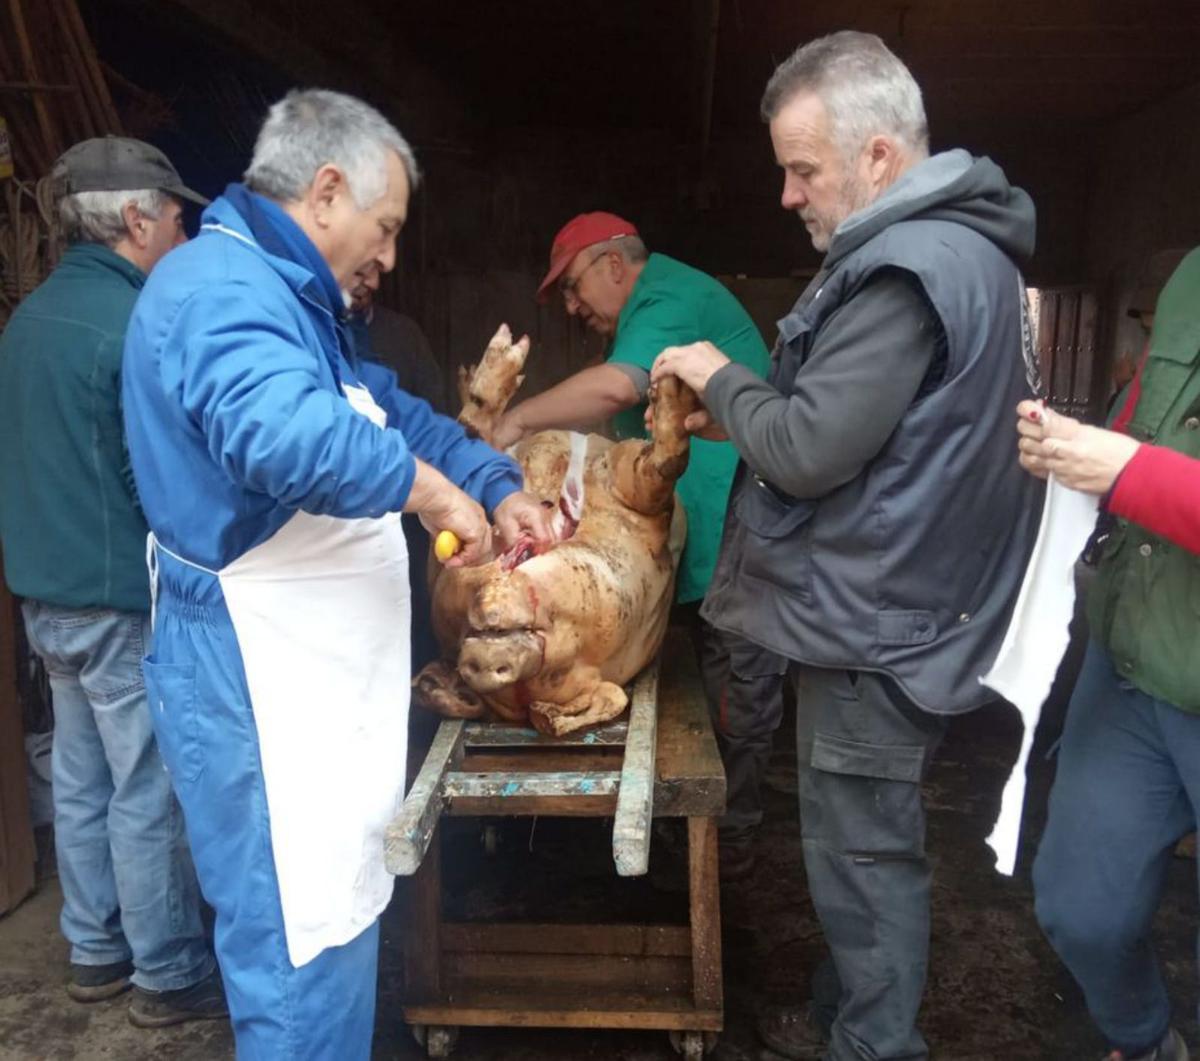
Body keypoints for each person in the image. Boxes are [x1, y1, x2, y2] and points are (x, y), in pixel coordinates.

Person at [121, 90, 551, 1059]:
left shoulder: (295, 305)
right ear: (324, 192)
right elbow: (283, 436)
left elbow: (385, 409)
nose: (391, 257)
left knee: (330, 939)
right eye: (386, 227)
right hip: (255, 690)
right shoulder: (213, 291)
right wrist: (435, 496)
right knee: (293, 957)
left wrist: (494, 479)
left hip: (311, 700)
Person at [652, 31, 1043, 1060]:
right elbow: (868, 430)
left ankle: (874, 1043)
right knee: (849, 849)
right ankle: (845, 1015)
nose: (788, 194)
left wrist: (716, 376)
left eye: (802, 168)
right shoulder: (959, 254)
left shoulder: (906, 270)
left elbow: (812, 450)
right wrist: (742, 416)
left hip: (881, 624)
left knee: (864, 862)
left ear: (878, 158)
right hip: (898, 602)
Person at [0, 137, 225, 1026]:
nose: (183, 227)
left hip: (45, 596)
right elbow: (151, 476)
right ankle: (166, 969)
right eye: (175, 214)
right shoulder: (133, 324)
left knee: (84, 776)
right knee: (147, 785)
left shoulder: (27, 322)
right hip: (119, 598)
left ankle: (95, 949)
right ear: (135, 220)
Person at [495, 212, 786, 880]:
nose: (572, 306)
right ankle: (699, 838)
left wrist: (515, 418)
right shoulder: (640, 320)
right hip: (704, 545)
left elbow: (614, 390)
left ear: (614, 265)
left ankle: (730, 848)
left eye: (572, 287)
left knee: (735, 689)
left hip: (742, 537)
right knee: (707, 679)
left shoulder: (665, 298)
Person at [1017, 247, 1200, 1061]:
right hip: (1137, 656)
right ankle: (1148, 1040)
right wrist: (1080, 447)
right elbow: (1149, 415)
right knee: (1079, 905)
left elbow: (1143, 466)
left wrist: (1128, 471)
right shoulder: (1191, 271)